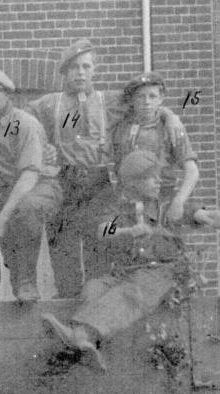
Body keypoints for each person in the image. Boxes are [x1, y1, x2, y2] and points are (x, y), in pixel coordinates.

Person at [27, 39, 187, 298]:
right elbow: (22, 121)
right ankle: (65, 298)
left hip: (98, 182)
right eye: (74, 67)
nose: (80, 73)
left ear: (94, 70)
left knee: (99, 244)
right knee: (63, 245)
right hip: (64, 181)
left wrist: (171, 116)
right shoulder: (49, 103)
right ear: (64, 72)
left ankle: (93, 300)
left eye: (86, 67)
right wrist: (43, 147)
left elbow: (146, 103)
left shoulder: (109, 101)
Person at [41, 150, 217, 370]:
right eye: (151, 177)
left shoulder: (166, 206)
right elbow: (104, 229)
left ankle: (81, 335)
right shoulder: (119, 208)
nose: (158, 181)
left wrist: (202, 215)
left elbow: (195, 214)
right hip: (128, 273)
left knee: (131, 292)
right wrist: (128, 231)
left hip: (163, 276)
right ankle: (87, 347)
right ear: (133, 183)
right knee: (94, 288)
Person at [0, 66, 62, 303]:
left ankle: (26, 281)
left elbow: (28, 176)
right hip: (4, 190)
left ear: (7, 94)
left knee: (24, 208)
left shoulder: (22, 123)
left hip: (39, 186)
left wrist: (1, 220)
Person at [111, 72, 199, 222]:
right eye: (141, 96)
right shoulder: (121, 127)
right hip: (128, 204)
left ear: (161, 99)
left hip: (161, 201)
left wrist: (178, 202)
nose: (147, 102)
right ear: (132, 99)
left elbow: (192, 171)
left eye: (152, 96)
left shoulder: (171, 129)